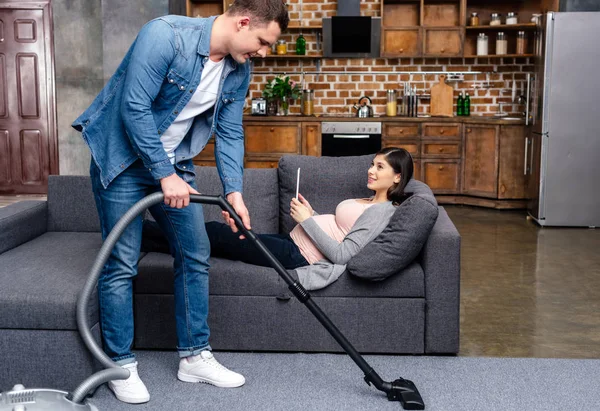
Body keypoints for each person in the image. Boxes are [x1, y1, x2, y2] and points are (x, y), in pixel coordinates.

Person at [71, 0, 289, 404]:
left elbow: (229, 131)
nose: (261, 52)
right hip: (122, 160)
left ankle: (193, 356)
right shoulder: (165, 36)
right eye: (261, 41)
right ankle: (120, 364)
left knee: (195, 251)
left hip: (174, 165)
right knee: (121, 262)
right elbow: (132, 107)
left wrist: (233, 192)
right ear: (243, 22)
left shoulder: (239, 69)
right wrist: (163, 173)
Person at [205, 147, 414, 290]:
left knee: (218, 233)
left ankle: (174, 235)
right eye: (372, 164)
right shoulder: (371, 200)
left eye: (380, 167)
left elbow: (343, 255)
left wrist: (307, 220)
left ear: (397, 176)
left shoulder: (382, 211)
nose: (370, 171)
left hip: (299, 255)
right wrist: (311, 213)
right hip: (292, 242)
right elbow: (340, 230)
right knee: (226, 236)